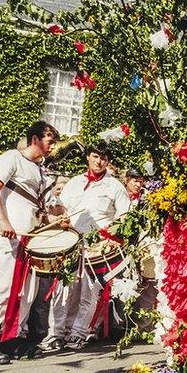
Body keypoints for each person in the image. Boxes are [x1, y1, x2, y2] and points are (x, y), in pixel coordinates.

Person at [0, 120, 60, 365]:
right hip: (11, 234)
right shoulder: (11, 157)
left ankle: (10, 339)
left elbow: (39, 206)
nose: (52, 147)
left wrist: (56, 218)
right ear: (35, 139)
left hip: (31, 237)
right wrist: (4, 222)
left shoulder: (39, 169)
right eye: (49, 141)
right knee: (3, 288)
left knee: (26, 293)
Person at [61, 143, 132, 350]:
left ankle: (79, 334)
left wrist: (111, 238)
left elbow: (125, 216)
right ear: (88, 158)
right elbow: (61, 209)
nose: (98, 161)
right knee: (66, 291)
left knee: (89, 292)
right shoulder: (74, 183)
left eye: (103, 157)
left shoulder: (115, 186)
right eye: (95, 156)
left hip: (98, 246)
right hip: (72, 243)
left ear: (107, 161)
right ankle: (59, 333)